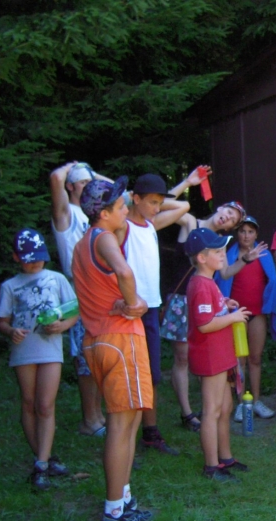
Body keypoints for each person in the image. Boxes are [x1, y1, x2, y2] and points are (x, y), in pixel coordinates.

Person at [72, 177, 154, 521]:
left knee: (129, 424)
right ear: (103, 213)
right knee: (121, 427)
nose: (126, 210)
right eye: (120, 206)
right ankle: (114, 511)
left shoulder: (84, 243)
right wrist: (134, 303)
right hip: (120, 338)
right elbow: (123, 270)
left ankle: (123, 499)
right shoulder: (102, 237)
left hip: (97, 339)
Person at [160, 165, 249, 432]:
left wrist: (245, 260)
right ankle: (187, 413)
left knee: (200, 355)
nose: (227, 218)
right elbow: (158, 205)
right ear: (219, 208)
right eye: (228, 212)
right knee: (182, 357)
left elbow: (225, 272)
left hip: (202, 299)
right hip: (179, 299)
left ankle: (208, 406)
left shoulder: (218, 244)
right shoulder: (190, 222)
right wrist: (187, 183)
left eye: (232, 220)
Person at [0, 229, 77, 490]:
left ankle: (41, 465)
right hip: (24, 350)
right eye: (29, 259)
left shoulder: (56, 279)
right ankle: (44, 456)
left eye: (39, 257)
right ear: (16, 258)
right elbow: (2, 321)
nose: (35, 263)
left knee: (45, 404)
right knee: (29, 402)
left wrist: (62, 326)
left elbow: (75, 311)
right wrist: (10, 331)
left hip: (50, 349)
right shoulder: (10, 286)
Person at [117, 173, 191, 455]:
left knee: (152, 373)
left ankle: (150, 432)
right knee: (130, 374)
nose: (157, 208)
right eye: (151, 202)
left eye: (160, 203)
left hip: (150, 307)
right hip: (129, 309)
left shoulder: (151, 225)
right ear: (134, 199)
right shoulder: (122, 226)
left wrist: (158, 201)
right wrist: (128, 198)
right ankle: (125, 438)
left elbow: (183, 207)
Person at [185, 228, 251, 482]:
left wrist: (226, 305)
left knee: (225, 408)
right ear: (202, 258)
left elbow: (212, 312)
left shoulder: (208, 281)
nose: (223, 254)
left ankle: (225, 457)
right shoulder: (201, 284)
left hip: (222, 355)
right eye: (217, 251)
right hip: (210, 356)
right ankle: (211, 466)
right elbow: (204, 324)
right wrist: (233, 317)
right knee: (212, 410)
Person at [49, 162, 109, 436]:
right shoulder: (66, 215)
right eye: (83, 183)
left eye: (90, 182)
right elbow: (55, 178)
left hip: (98, 291)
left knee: (97, 356)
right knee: (85, 360)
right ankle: (89, 420)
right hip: (78, 293)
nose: (89, 186)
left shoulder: (93, 213)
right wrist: (71, 166)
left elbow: (118, 191)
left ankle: (98, 415)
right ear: (71, 186)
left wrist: (92, 174)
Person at [214, 216, 276, 422]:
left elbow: (273, 283)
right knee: (239, 360)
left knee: (255, 358)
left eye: (250, 232)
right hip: (236, 315)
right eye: (242, 231)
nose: (246, 235)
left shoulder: (264, 255)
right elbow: (221, 281)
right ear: (237, 233)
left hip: (257, 313)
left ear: (256, 234)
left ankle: (256, 400)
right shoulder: (230, 255)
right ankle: (242, 402)